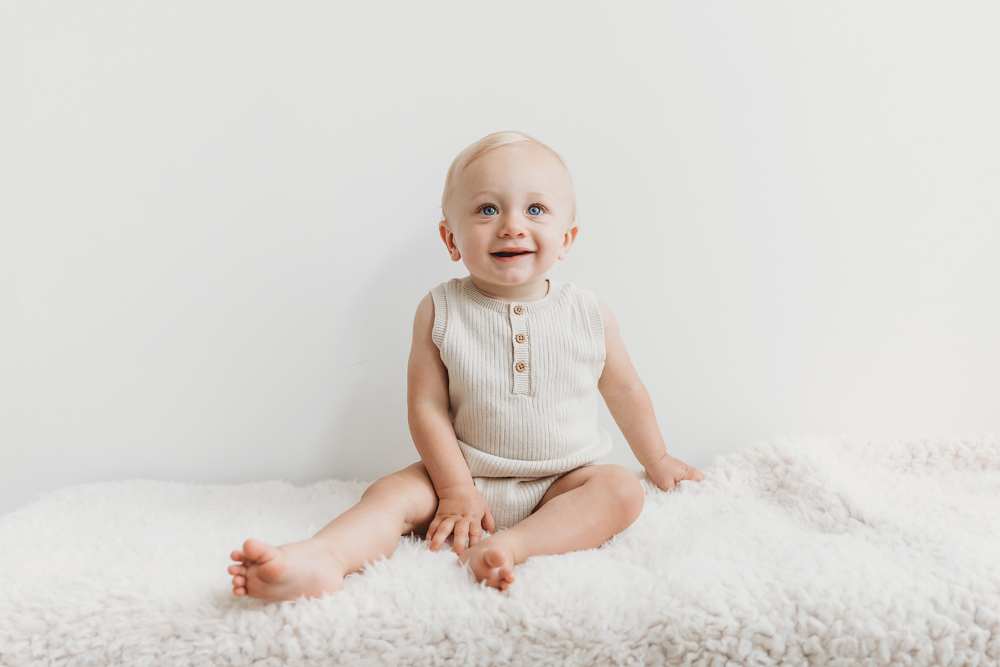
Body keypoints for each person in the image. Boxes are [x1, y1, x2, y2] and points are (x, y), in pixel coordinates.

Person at [228, 130, 706, 600]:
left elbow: (625, 391)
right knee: (390, 492)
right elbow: (427, 408)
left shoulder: (590, 315)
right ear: (450, 238)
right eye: (487, 209)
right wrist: (456, 489)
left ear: (567, 238)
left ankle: (508, 547)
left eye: (535, 209)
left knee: (622, 490)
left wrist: (657, 460)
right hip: (460, 475)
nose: (512, 225)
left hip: (562, 483)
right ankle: (323, 557)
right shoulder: (441, 310)